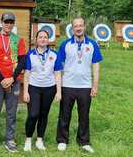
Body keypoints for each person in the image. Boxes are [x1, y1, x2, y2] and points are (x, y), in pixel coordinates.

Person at [56, 17, 103, 153]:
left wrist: (95, 85)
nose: (78, 28)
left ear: (84, 27)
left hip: (85, 85)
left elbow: (96, 66)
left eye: (80, 25)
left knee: (84, 115)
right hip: (67, 85)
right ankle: (62, 140)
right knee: (64, 114)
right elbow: (59, 66)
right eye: (76, 26)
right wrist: (58, 87)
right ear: (72, 28)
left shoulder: (93, 44)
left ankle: (83, 141)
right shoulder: (65, 44)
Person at [0, 12, 26, 152]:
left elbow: (22, 62)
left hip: (13, 81)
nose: (8, 24)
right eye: (6, 22)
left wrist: (12, 78)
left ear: (13, 24)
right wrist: (3, 79)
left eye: (11, 22)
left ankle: (9, 139)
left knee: (11, 112)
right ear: (1, 22)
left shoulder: (18, 40)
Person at [23, 29, 62, 152]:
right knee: (33, 114)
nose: (43, 39)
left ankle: (40, 139)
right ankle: (28, 139)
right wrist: (25, 91)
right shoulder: (30, 54)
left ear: (48, 40)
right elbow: (26, 74)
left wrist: (59, 91)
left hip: (49, 88)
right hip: (33, 87)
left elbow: (57, 74)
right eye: (40, 37)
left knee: (44, 114)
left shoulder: (54, 54)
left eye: (45, 37)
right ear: (36, 39)